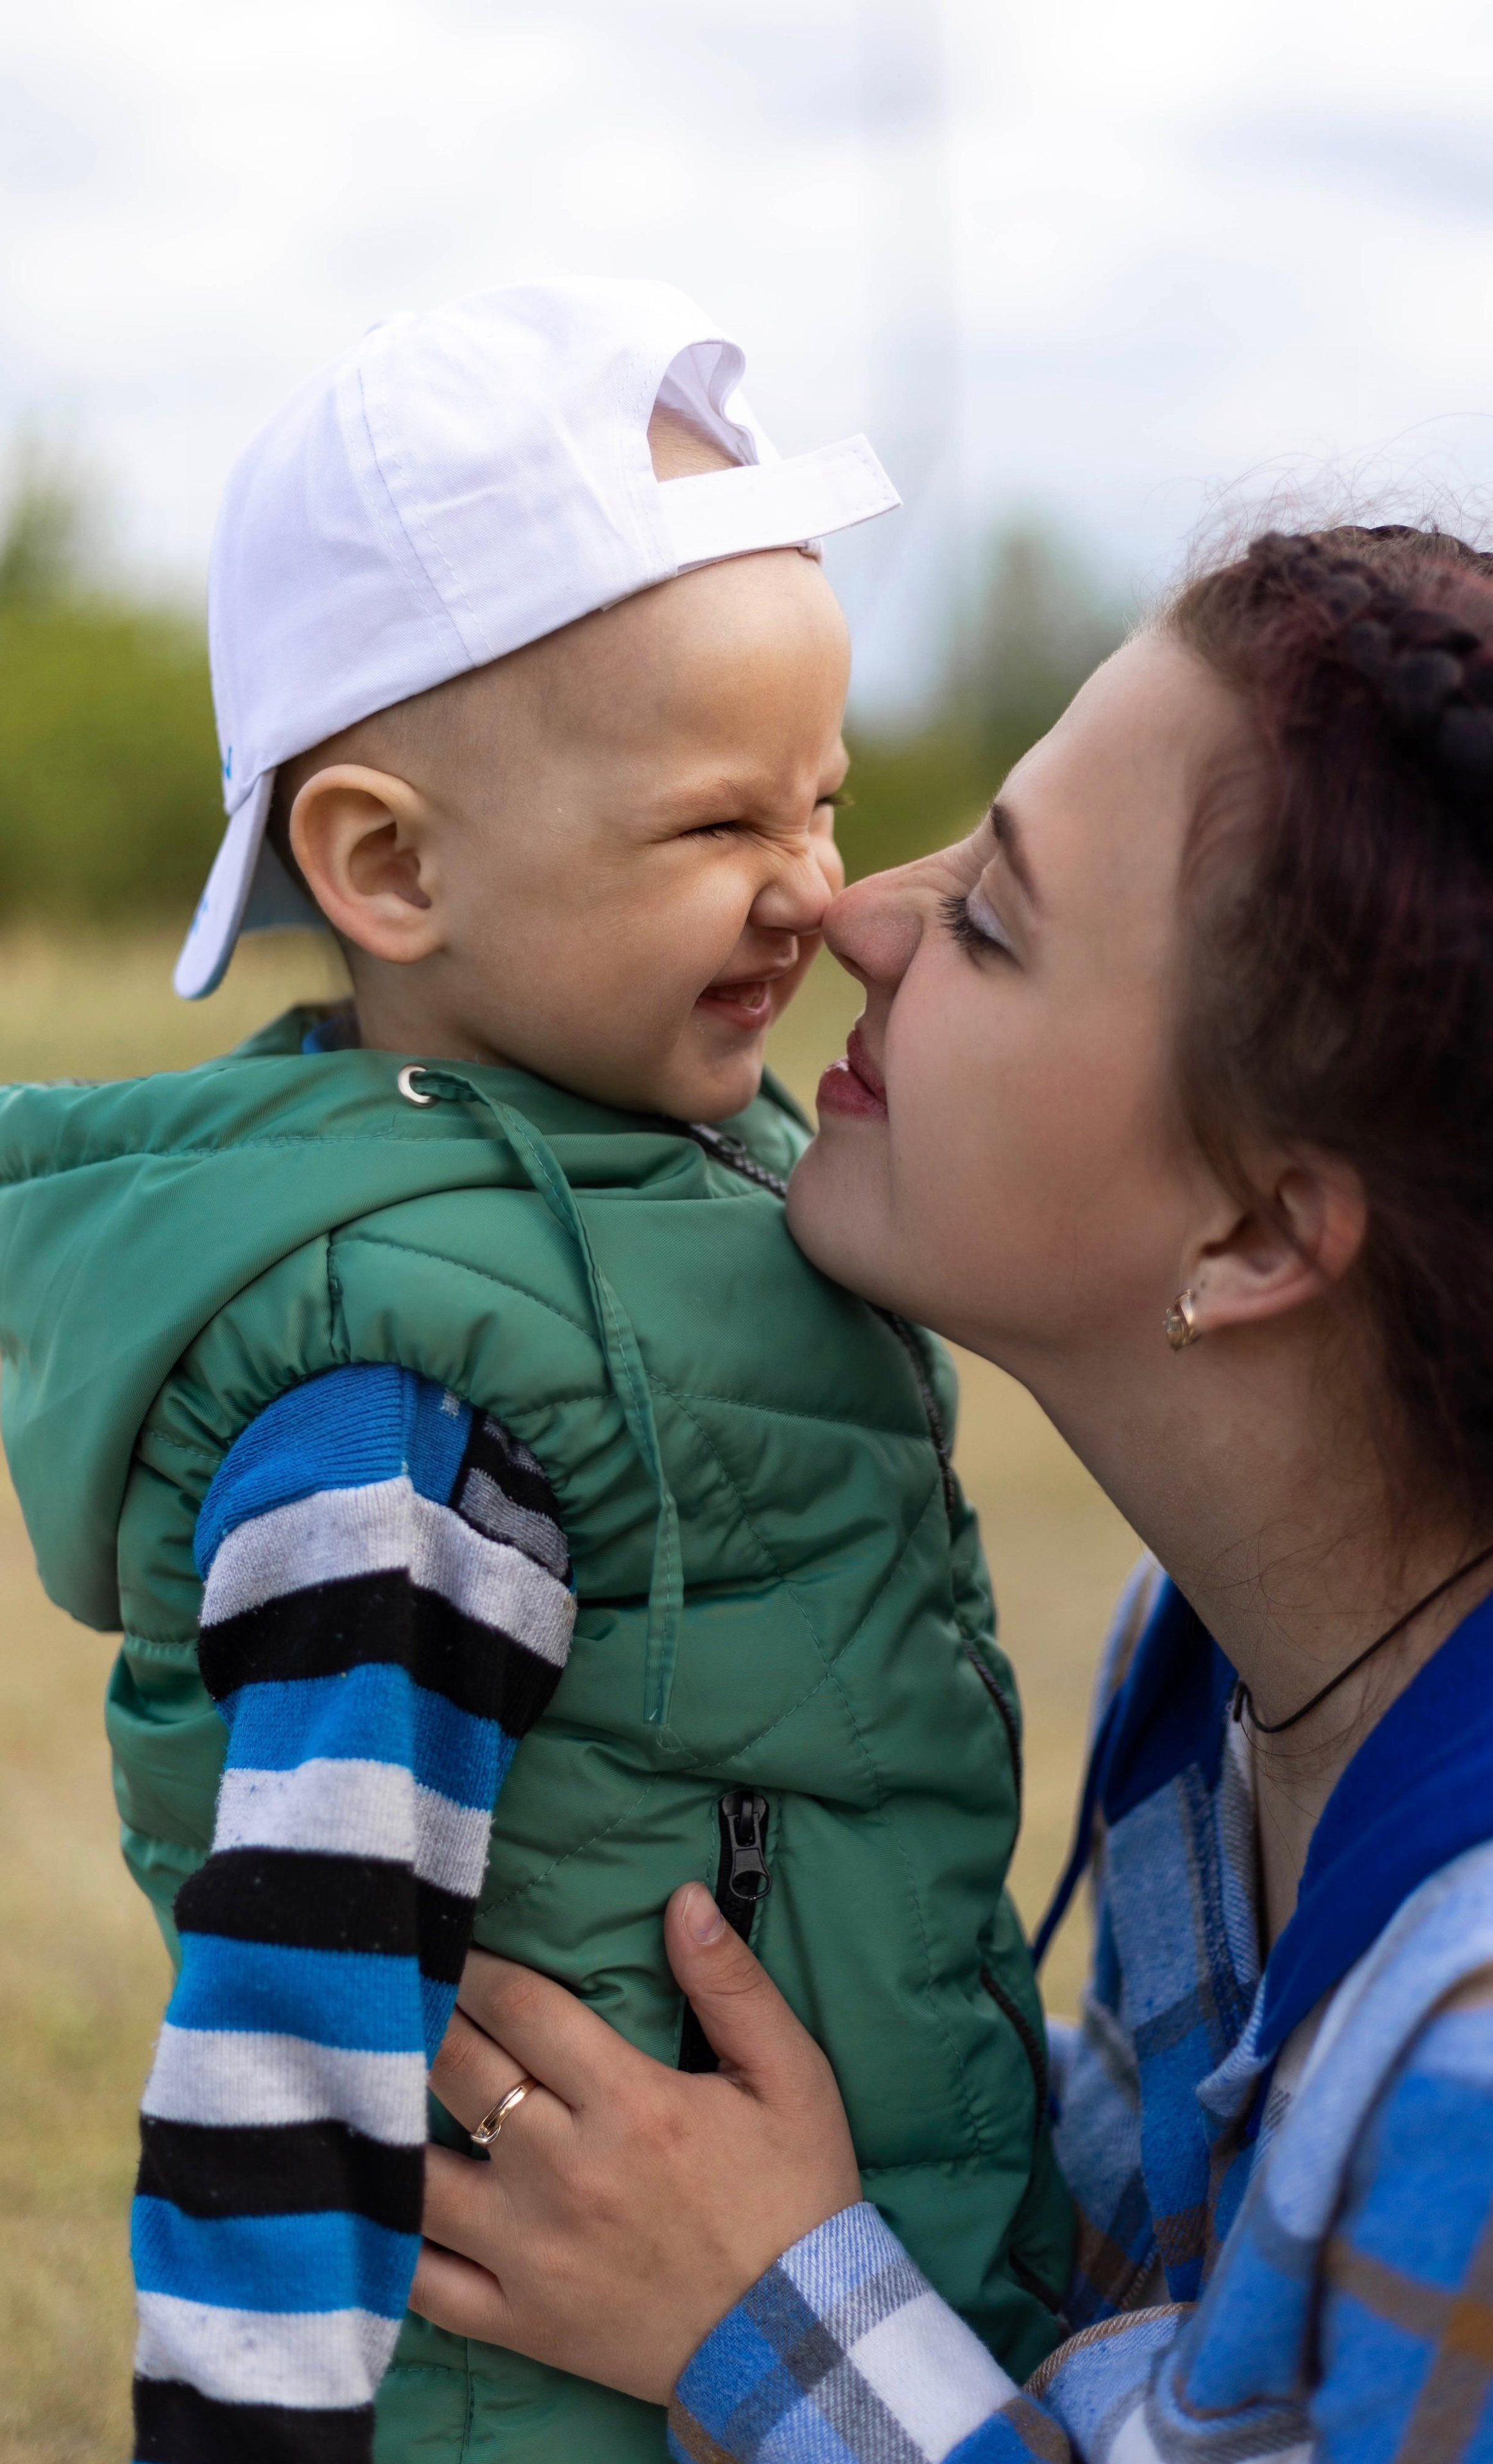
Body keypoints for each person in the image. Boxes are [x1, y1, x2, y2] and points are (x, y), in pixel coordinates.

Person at [401, 525, 1493, 2463]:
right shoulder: (1224, 1659)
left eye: (992, 920)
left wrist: (775, 2317)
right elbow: (1207, 2306)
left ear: (1254, 1234)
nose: (855, 913)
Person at [0, 282, 1078, 2464]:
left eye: (821, 801)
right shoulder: (403, 1392)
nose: (815, 892)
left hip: (793, 2338)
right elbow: (294, 2014)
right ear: (391, 866)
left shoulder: (671, 1199)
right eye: (716, 827)